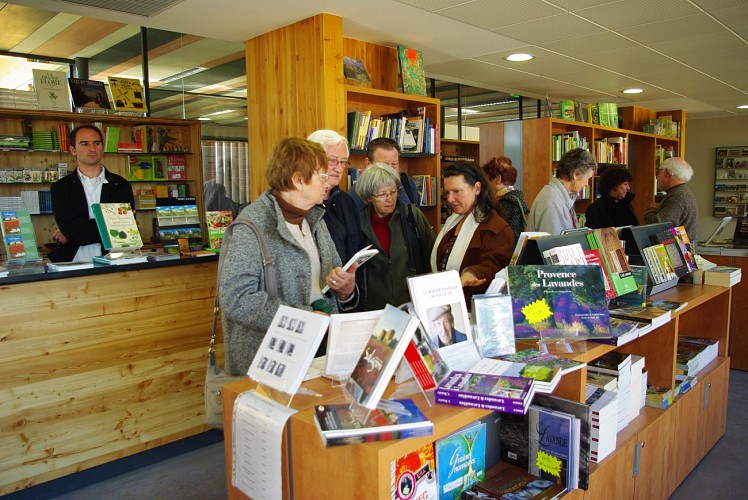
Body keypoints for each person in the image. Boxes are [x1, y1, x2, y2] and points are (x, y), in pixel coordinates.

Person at [219, 137, 358, 376]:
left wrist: (346, 291)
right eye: (321, 176)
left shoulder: (314, 218)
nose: (328, 183)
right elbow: (237, 300)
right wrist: (306, 318)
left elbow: (328, 283)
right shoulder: (251, 226)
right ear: (297, 180)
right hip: (269, 362)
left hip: (318, 353)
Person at [355, 163, 435, 310]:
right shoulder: (358, 223)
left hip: (412, 305)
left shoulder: (412, 216)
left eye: (393, 192)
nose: (389, 199)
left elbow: (432, 255)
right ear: (368, 197)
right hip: (374, 309)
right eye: (382, 194)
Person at [432, 161, 514, 304]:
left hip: (473, 309)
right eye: (447, 192)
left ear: (477, 188)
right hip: (445, 304)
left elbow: (493, 269)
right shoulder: (454, 220)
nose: (450, 199)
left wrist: (472, 273)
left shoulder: (497, 229)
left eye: (457, 191)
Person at [49, 124, 134, 262]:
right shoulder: (61, 188)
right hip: (75, 259)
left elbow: (125, 229)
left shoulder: (121, 185)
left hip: (117, 258)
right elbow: (71, 229)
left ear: (102, 148)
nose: (92, 149)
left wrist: (74, 232)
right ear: (73, 150)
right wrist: (109, 224)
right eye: (84, 144)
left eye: (97, 143)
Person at [306, 129, 364, 263]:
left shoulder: (347, 201)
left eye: (343, 162)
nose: (338, 169)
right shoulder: (303, 203)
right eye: (332, 161)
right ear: (312, 160)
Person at [527, 148, 597, 235]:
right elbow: (554, 244)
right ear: (576, 174)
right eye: (587, 178)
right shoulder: (552, 200)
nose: (587, 184)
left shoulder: (561, 196)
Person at [349, 137, 420, 210]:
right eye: (384, 165)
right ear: (368, 163)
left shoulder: (408, 185)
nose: (390, 170)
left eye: (394, 164)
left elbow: (416, 218)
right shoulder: (356, 194)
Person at [644, 157, 698, 243]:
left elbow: (657, 227)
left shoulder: (678, 196)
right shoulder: (682, 192)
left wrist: (652, 209)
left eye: (658, 171)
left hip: (678, 253)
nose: (657, 176)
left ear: (666, 173)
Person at [482, 155, 529, 244]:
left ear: (497, 179)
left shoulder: (506, 203)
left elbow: (501, 236)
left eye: (487, 180)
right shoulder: (515, 198)